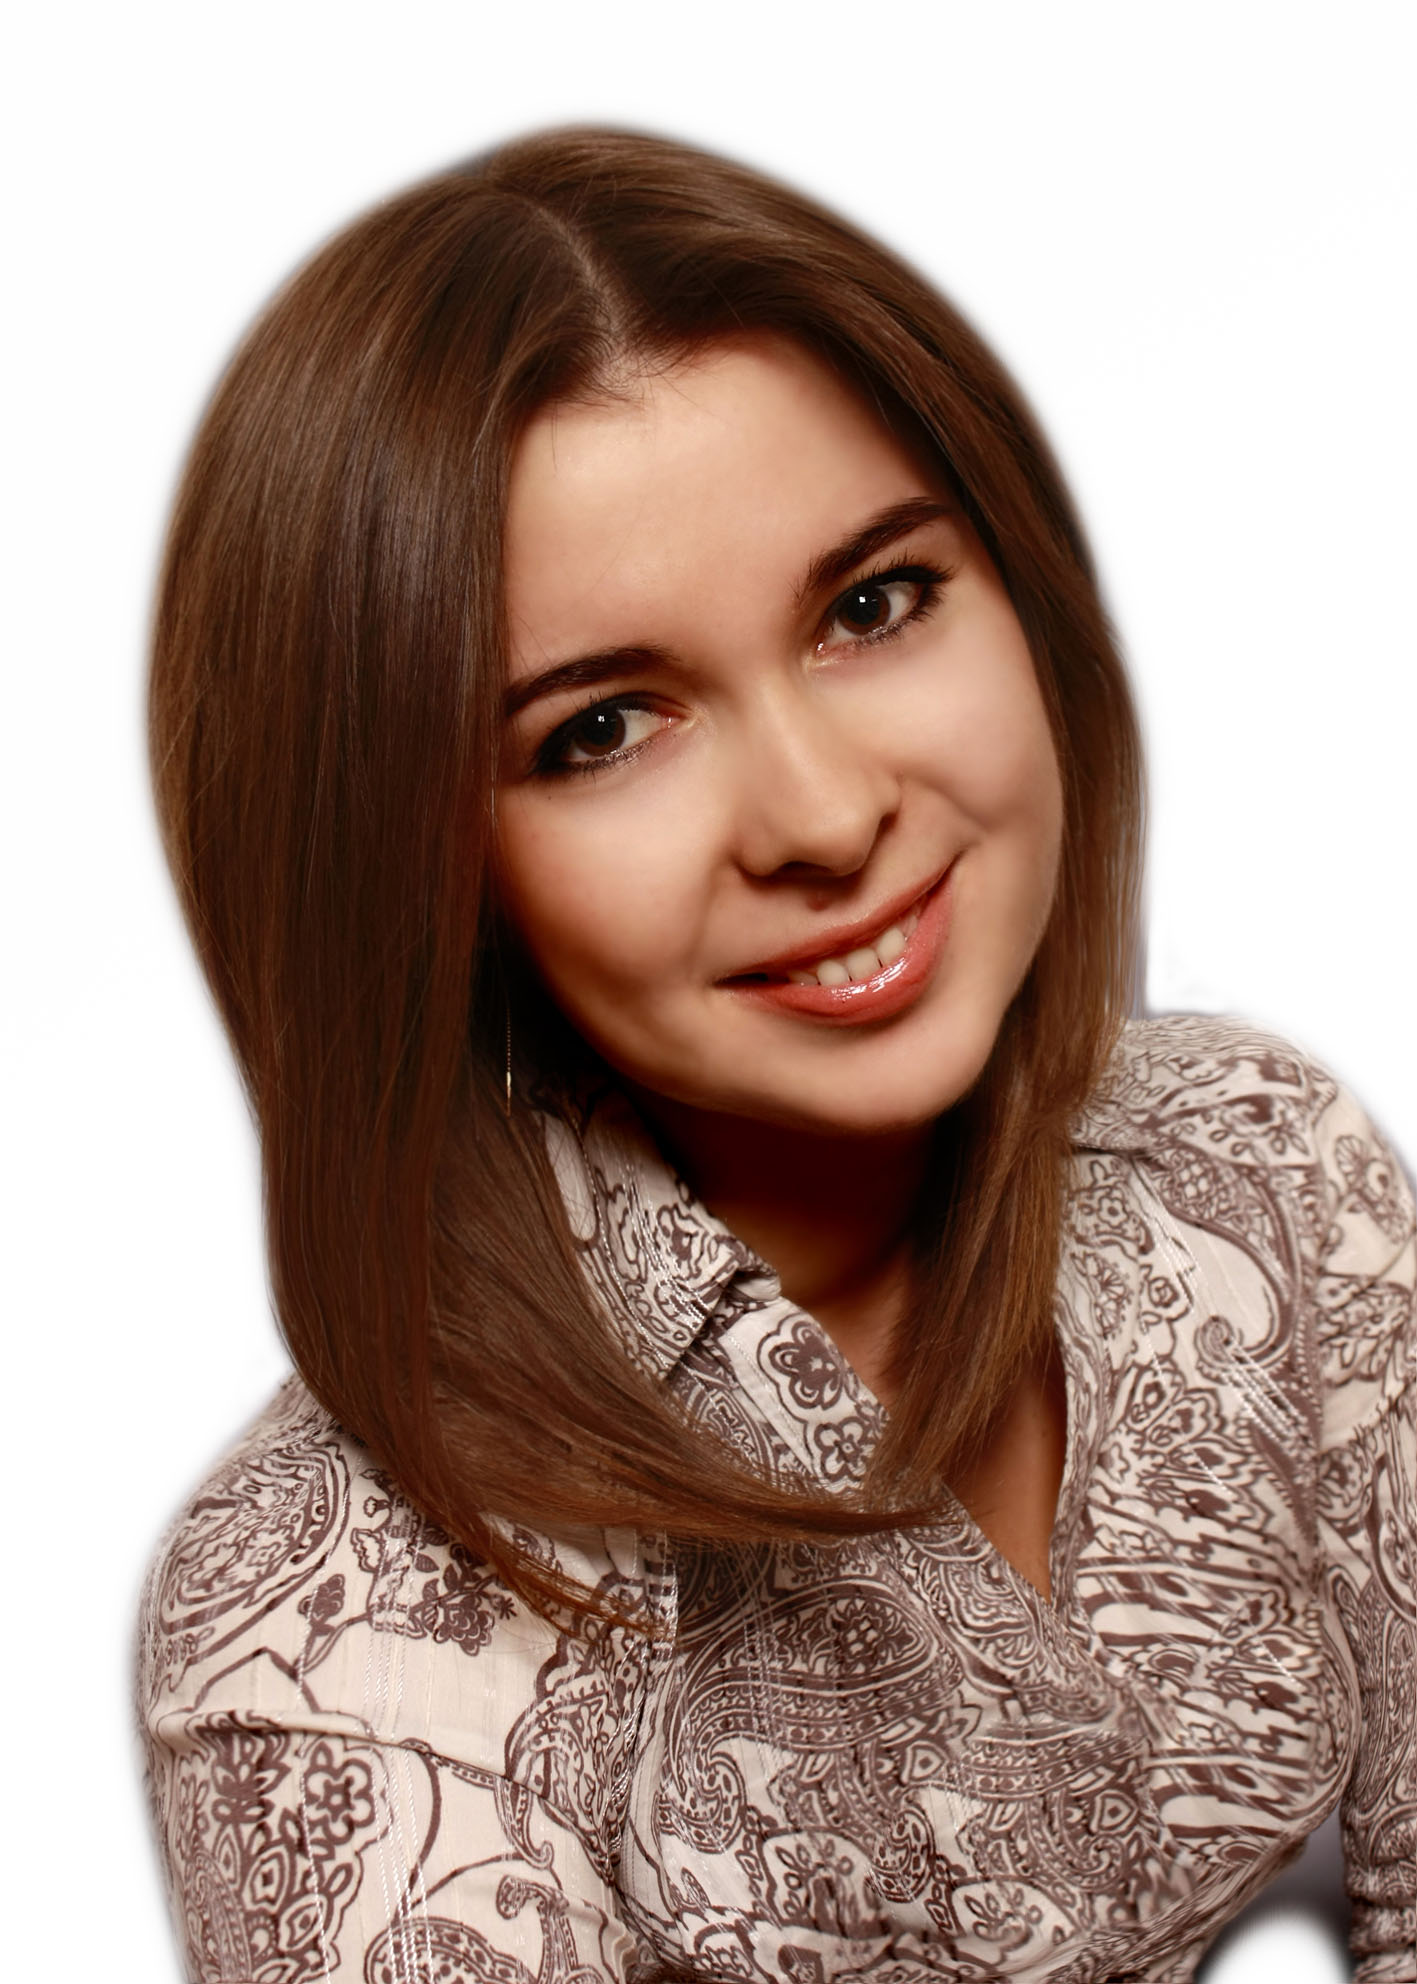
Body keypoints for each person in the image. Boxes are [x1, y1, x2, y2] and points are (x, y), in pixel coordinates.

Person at [137, 128, 1416, 1984]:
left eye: (871, 605)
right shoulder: (335, 1631)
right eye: (600, 730)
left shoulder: (1260, 1160)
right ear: (417, 871)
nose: (823, 815)